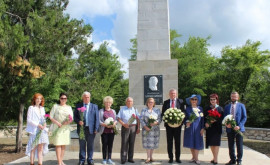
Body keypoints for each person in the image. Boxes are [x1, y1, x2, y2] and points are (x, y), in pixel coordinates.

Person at [74, 91, 99, 165]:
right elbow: (75, 117)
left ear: (90, 98)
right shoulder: (78, 106)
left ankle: (90, 159)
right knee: (82, 145)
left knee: (90, 145)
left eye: (88, 97)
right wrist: (79, 121)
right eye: (85, 97)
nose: (86, 98)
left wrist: (96, 128)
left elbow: (97, 118)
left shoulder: (94, 106)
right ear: (82, 98)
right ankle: (82, 160)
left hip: (91, 129)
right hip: (82, 129)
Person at [161, 89, 185, 163]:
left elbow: (183, 112)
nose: (173, 95)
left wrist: (181, 121)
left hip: (178, 126)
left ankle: (177, 158)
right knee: (169, 142)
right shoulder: (166, 102)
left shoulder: (180, 102)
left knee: (178, 142)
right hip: (169, 126)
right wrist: (167, 121)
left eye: (174, 93)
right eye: (171, 93)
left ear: (176, 94)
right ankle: (170, 158)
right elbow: (163, 113)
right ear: (169, 94)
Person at [49, 93, 73, 165]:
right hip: (57, 127)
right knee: (58, 144)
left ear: (66, 99)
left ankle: (61, 160)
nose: (63, 100)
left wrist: (68, 121)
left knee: (63, 144)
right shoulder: (55, 106)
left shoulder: (69, 107)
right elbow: (50, 116)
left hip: (65, 128)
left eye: (65, 98)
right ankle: (59, 162)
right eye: (62, 98)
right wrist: (57, 123)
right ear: (59, 99)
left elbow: (71, 117)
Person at [25, 93, 49, 165]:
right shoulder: (31, 108)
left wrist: (44, 124)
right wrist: (37, 124)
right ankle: (32, 163)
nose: (39, 100)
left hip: (42, 130)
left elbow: (43, 119)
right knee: (33, 147)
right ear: (34, 99)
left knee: (40, 148)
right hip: (35, 130)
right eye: (37, 98)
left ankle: (40, 163)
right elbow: (29, 120)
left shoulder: (42, 108)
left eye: (40, 99)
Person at [224, 92, 247, 165]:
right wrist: (227, 124)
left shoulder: (241, 105)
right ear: (230, 97)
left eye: (235, 96)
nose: (233, 98)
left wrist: (239, 126)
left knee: (239, 145)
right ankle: (232, 160)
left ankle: (239, 160)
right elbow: (225, 117)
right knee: (230, 145)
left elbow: (244, 117)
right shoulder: (227, 106)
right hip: (229, 129)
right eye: (232, 96)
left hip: (239, 129)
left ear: (238, 97)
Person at [117, 97, 140, 164]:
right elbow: (118, 118)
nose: (129, 102)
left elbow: (138, 119)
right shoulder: (122, 109)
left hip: (133, 127)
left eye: (131, 101)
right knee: (124, 143)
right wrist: (123, 124)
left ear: (132, 102)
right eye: (128, 101)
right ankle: (123, 158)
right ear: (126, 102)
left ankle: (130, 158)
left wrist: (138, 128)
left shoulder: (135, 109)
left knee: (132, 143)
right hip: (125, 127)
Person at [184, 94, 204, 165]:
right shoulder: (187, 109)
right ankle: (193, 157)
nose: (194, 101)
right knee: (191, 142)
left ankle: (196, 158)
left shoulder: (200, 108)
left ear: (198, 101)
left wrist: (202, 128)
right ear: (190, 100)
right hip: (190, 128)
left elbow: (202, 119)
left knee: (197, 142)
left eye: (195, 99)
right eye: (192, 99)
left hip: (198, 128)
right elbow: (185, 118)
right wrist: (186, 122)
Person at [140, 98, 161, 163]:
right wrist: (145, 126)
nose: (150, 103)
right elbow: (141, 119)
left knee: (153, 143)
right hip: (146, 129)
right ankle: (148, 157)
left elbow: (160, 119)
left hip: (155, 130)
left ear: (154, 103)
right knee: (147, 143)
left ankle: (151, 157)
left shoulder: (157, 110)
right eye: (149, 102)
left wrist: (156, 122)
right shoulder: (144, 110)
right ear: (147, 103)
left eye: (152, 102)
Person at [204, 94, 224, 164]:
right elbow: (204, 118)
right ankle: (214, 157)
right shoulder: (207, 108)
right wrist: (206, 123)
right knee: (211, 144)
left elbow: (222, 119)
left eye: (214, 99)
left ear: (216, 100)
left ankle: (215, 159)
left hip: (217, 129)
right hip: (210, 129)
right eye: (211, 99)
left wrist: (215, 120)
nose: (212, 101)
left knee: (216, 144)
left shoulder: (220, 108)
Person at [99, 96, 117, 165]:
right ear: (104, 103)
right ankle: (104, 159)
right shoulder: (101, 111)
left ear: (111, 103)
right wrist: (105, 125)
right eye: (106, 102)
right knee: (104, 145)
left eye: (109, 102)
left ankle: (109, 158)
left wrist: (114, 124)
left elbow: (115, 120)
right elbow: (99, 121)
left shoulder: (113, 111)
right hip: (104, 131)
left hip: (111, 131)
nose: (108, 104)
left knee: (110, 145)